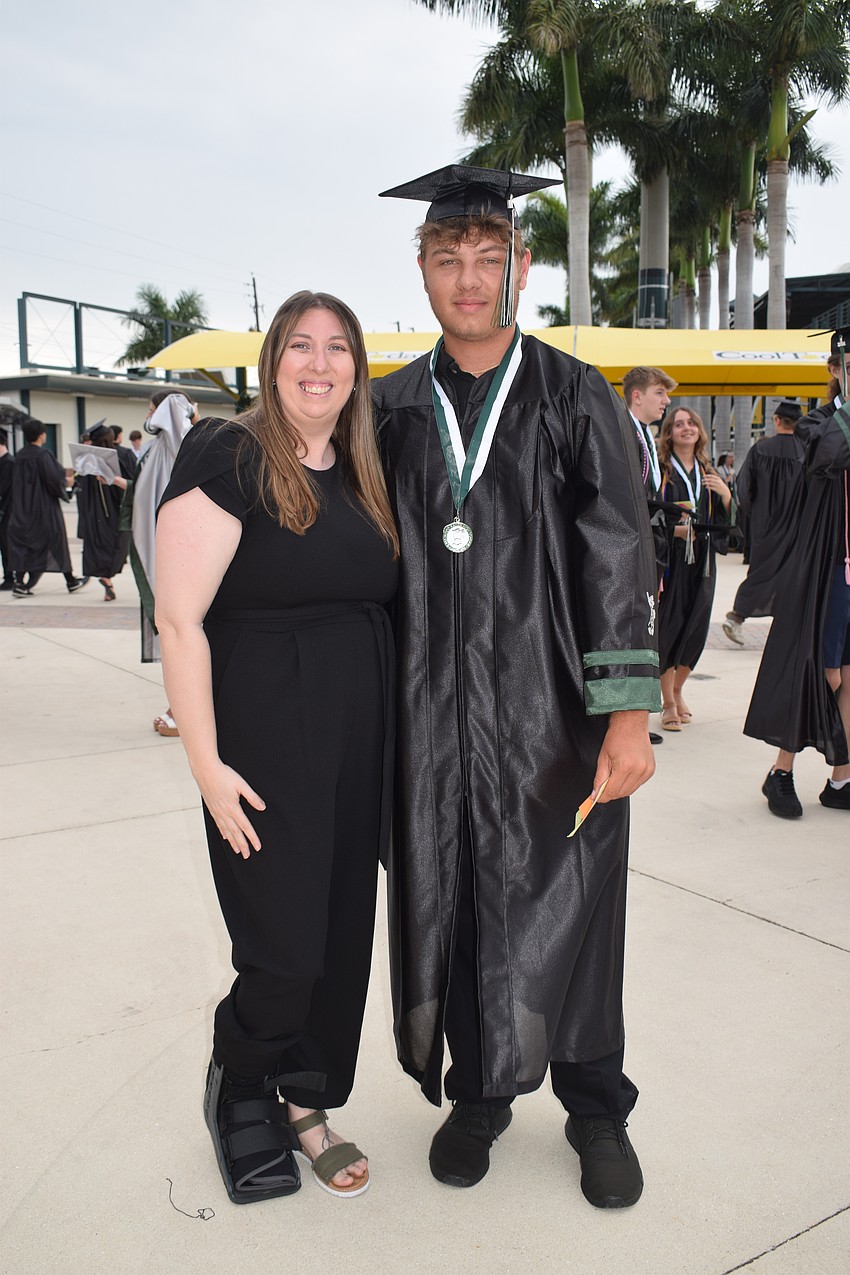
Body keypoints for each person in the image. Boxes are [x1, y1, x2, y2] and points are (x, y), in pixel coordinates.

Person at [374, 165, 659, 1209]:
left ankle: (594, 1106)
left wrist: (630, 713)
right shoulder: (390, 407)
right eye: (446, 259)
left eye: (486, 259)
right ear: (421, 270)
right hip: (430, 718)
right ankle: (481, 1093)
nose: (466, 278)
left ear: (519, 268)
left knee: (576, 904)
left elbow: (618, 557)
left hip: (553, 713)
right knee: (449, 900)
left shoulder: (569, 393)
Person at [155, 291, 398, 1204]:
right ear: (273, 360)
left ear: (357, 368)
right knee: (283, 943)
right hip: (263, 738)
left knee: (339, 941)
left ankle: (305, 1102)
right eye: (301, 345)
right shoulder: (229, 453)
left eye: (338, 347)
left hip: (357, 740)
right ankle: (240, 1081)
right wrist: (207, 766)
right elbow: (179, 620)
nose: (320, 362)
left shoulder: (364, 468)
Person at [745, 331, 850, 816]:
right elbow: (827, 458)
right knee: (823, 671)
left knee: (848, 674)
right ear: (835, 370)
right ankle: (780, 771)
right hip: (831, 568)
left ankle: (840, 779)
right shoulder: (818, 423)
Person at [125, 389, 199, 735]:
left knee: (179, 631)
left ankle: (181, 711)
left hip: (178, 557)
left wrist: (179, 409)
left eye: (152, 408)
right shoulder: (161, 449)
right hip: (166, 551)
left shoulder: (175, 443)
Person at [655, 407, 732, 730]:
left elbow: (726, 523)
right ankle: (668, 702)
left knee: (696, 626)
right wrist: (675, 532)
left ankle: (678, 689)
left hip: (701, 560)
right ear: (669, 433)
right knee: (669, 626)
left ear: (700, 430)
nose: (686, 428)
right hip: (671, 558)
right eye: (678, 424)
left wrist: (727, 496)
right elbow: (650, 516)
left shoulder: (708, 471)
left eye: (691, 424)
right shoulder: (662, 471)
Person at [623, 365, 679, 747]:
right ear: (637, 395)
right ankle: (628, 722)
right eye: (660, 392)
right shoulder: (622, 431)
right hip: (629, 549)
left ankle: (638, 719)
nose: (667, 401)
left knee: (646, 628)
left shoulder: (644, 436)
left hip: (648, 545)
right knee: (631, 630)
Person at [722, 403, 806, 645]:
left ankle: (737, 616)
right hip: (797, 527)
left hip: (764, 526)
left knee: (760, 572)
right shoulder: (807, 451)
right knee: (793, 575)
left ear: (777, 420)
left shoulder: (760, 450)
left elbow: (744, 490)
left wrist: (754, 515)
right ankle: (789, 628)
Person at [7, 418, 89, 597]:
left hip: (21, 509)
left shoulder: (19, 455)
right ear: (41, 434)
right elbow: (54, 479)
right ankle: (70, 580)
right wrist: (67, 483)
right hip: (43, 508)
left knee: (23, 546)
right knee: (56, 541)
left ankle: (20, 583)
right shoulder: (43, 455)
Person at [75, 422, 135, 600]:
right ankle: (107, 576)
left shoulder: (85, 460)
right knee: (117, 547)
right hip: (116, 511)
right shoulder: (122, 455)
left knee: (98, 546)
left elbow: (81, 488)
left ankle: (105, 578)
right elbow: (133, 481)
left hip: (93, 513)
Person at [0, 427, 13, 589]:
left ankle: (11, 577)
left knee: (7, 545)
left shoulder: (9, 463)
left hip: (7, 512)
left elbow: (5, 490)